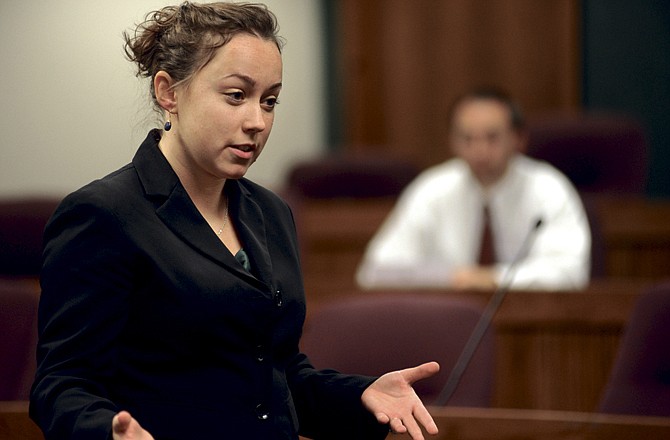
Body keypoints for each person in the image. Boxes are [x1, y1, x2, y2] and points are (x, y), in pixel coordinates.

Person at [29, 3, 439, 439]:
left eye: (269, 101)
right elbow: (61, 385)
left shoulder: (272, 212)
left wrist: (359, 396)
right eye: (236, 96)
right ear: (169, 93)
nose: (257, 121)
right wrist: (106, 431)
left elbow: (274, 375)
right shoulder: (104, 214)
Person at [356, 87, 591, 291]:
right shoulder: (432, 191)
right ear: (451, 141)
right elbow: (375, 271)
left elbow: (571, 273)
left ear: (519, 139)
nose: (479, 150)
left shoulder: (549, 190)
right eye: (467, 138)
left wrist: (493, 279)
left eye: (492, 138)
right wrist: (451, 278)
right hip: (448, 323)